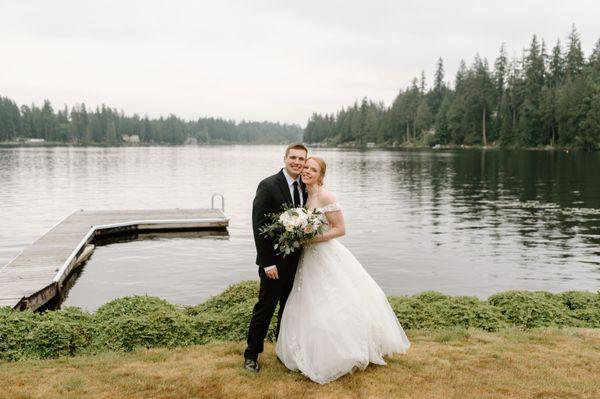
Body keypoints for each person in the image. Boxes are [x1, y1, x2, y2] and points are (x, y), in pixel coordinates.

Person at [276, 156, 411, 384]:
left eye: (313, 169)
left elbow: (340, 229)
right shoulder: (304, 195)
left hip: (326, 254)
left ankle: (344, 350)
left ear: (321, 175)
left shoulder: (326, 196)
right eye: (306, 167)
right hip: (308, 258)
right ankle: (309, 347)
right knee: (309, 301)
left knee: (334, 300)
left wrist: (312, 238)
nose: (307, 171)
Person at [243, 143, 308, 372]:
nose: (297, 163)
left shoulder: (305, 188)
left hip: (298, 262)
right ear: (285, 158)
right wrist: (267, 261)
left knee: (288, 309)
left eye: (301, 159)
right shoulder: (268, 185)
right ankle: (251, 354)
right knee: (265, 307)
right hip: (274, 263)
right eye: (293, 158)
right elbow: (258, 225)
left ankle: (283, 351)